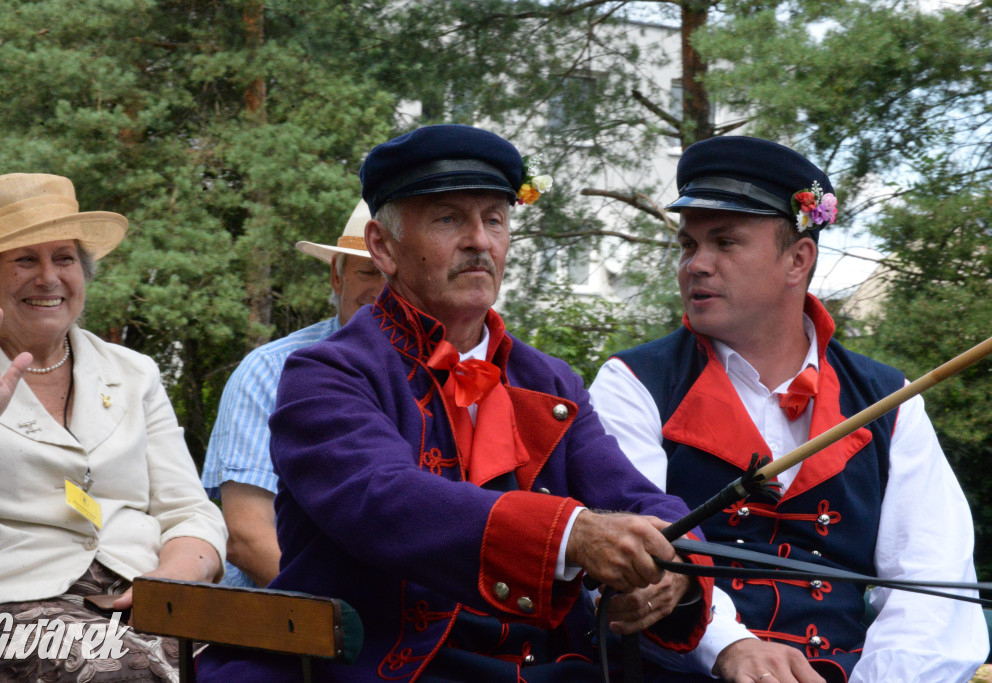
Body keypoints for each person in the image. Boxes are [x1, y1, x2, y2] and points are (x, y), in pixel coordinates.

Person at [197, 124, 717, 682]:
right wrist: (573, 535)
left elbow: (637, 497)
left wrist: (677, 567)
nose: (480, 241)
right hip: (374, 667)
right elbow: (387, 502)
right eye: (449, 219)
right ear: (382, 247)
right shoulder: (324, 373)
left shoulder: (552, 381)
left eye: (494, 219)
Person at [589, 136, 989, 683]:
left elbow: (934, 587)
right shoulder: (634, 384)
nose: (695, 265)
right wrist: (729, 647)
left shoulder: (889, 400)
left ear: (798, 259)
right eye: (688, 245)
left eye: (725, 243)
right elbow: (631, 551)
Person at [0, 173, 227, 681]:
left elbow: (190, 510)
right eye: (24, 259)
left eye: (63, 258)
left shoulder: (135, 372)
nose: (48, 277)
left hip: (142, 600)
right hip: (3, 602)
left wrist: (171, 578)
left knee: (260, 666)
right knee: (122, 674)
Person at [201, 199, 384, 587]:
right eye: (369, 271)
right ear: (337, 278)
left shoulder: (446, 375)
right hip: (287, 618)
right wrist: (339, 625)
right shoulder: (270, 371)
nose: (383, 292)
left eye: (396, 276)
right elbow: (249, 539)